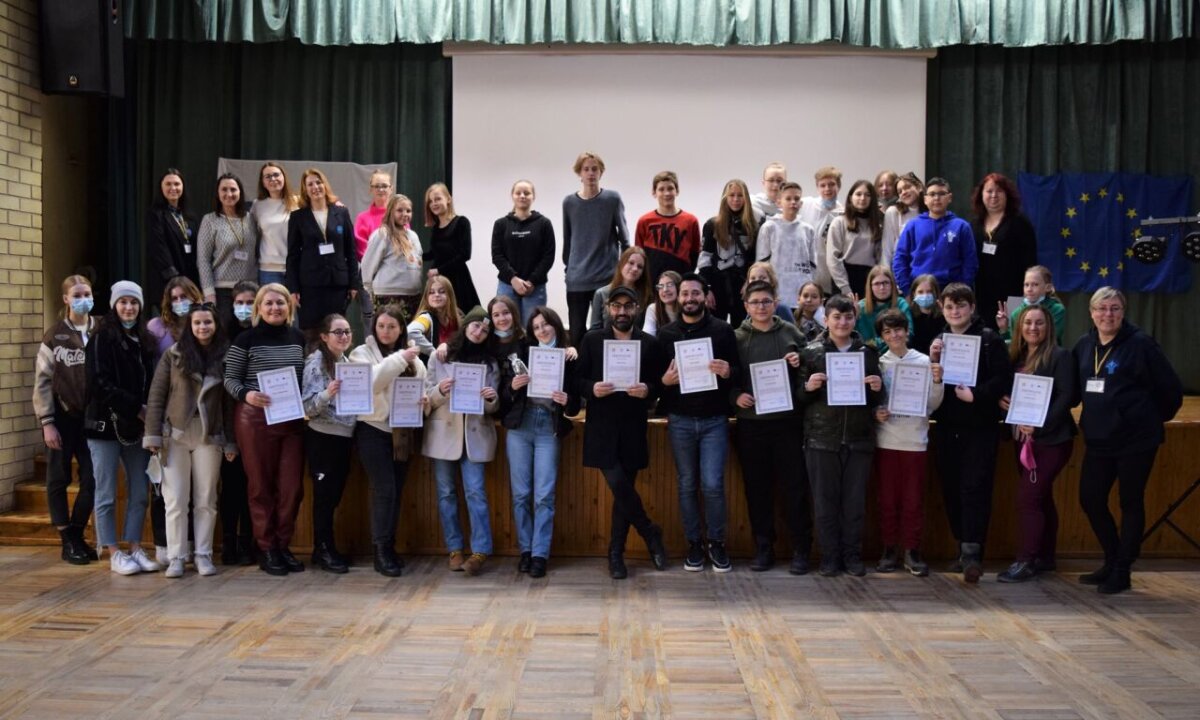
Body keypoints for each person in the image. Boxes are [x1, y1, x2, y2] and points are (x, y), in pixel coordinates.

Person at [1072, 287, 1182, 594]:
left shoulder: (1141, 344)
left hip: (1135, 440)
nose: (1108, 314)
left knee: (1130, 501)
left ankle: (1122, 570)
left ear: (1123, 312)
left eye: (1115, 308)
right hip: (1098, 438)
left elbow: (1171, 391)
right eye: (1102, 308)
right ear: (1091, 312)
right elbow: (1074, 389)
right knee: (1090, 499)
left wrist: (1144, 419)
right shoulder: (1084, 345)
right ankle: (1112, 559)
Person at [576, 286, 669, 579]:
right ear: (607, 309)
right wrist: (591, 388)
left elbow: (660, 383)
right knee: (618, 483)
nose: (622, 311)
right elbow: (576, 380)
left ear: (637, 309)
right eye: (616, 306)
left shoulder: (649, 344)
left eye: (628, 306)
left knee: (622, 492)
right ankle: (649, 531)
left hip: (632, 425)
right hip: (601, 426)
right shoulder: (592, 340)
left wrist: (648, 390)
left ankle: (616, 554)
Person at [929, 283, 1011, 583]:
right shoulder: (939, 341)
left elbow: (1004, 379)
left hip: (980, 428)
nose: (955, 312)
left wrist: (977, 395)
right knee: (951, 489)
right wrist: (933, 361)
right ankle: (962, 548)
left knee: (974, 488)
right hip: (946, 427)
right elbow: (933, 386)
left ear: (972, 307)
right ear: (942, 309)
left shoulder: (989, 339)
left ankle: (973, 553)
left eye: (961, 306)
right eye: (950, 307)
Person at [143, 304, 234, 578]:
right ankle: (177, 557)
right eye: (197, 323)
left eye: (208, 322)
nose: (203, 327)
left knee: (206, 498)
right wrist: (153, 435)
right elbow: (157, 395)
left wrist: (230, 441)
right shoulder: (173, 355)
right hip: (176, 434)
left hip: (209, 434)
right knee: (175, 499)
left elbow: (230, 404)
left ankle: (203, 555)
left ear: (215, 325)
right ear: (190, 327)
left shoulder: (226, 355)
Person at [223, 284, 307, 576]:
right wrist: (246, 394)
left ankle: (283, 545)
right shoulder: (245, 339)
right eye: (268, 303)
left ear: (289, 306)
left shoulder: (298, 338)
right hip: (255, 419)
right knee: (260, 487)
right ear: (258, 308)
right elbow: (230, 379)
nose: (275, 308)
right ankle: (267, 548)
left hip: (291, 419)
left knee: (292, 488)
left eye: (280, 303)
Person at [658, 273, 738, 573]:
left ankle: (716, 543)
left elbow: (738, 371)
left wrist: (728, 371)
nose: (690, 298)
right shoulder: (666, 334)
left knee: (713, 484)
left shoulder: (722, 331)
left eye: (695, 293)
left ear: (705, 296)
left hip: (714, 420)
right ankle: (694, 544)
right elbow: (655, 380)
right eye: (685, 294)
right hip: (680, 420)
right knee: (687, 485)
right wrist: (664, 381)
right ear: (678, 298)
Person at [798, 295, 883, 577]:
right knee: (825, 503)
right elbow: (797, 397)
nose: (842, 322)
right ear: (826, 320)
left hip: (859, 439)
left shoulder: (868, 353)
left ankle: (852, 556)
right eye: (836, 317)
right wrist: (808, 387)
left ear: (855, 319)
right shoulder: (810, 353)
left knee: (854, 504)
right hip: (821, 438)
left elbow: (877, 399)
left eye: (848, 317)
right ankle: (830, 557)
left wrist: (877, 388)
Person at [730, 280, 812, 573]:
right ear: (746, 306)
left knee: (795, 488)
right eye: (755, 302)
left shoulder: (792, 333)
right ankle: (763, 547)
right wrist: (734, 396)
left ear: (776, 303)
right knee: (757, 490)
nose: (761, 307)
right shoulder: (736, 338)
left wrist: (800, 360)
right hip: (751, 425)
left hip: (788, 424)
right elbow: (729, 376)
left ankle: (801, 549)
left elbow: (811, 368)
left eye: (766, 301)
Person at [996, 304, 1077, 583]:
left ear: (1049, 326)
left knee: (1028, 498)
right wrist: (1002, 401)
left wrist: (1041, 423)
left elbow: (1067, 396)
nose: (1033, 328)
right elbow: (1006, 391)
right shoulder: (1015, 356)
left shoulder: (1060, 356)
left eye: (1039, 323)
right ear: (1019, 327)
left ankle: (1026, 560)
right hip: (1022, 439)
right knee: (1041, 497)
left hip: (1051, 440)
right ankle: (1046, 556)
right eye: (1028, 322)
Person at [85, 281, 160, 575]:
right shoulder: (101, 338)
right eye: (123, 302)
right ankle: (113, 551)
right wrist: (135, 407)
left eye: (134, 302)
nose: (128, 308)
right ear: (114, 305)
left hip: (137, 427)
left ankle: (135, 546)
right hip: (105, 425)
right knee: (105, 492)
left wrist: (148, 411)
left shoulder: (145, 340)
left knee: (140, 490)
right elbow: (98, 382)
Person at [501, 307, 580, 578]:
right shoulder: (522, 353)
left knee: (544, 495)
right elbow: (504, 393)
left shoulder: (569, 356)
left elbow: (575, 404)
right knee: (521, 494)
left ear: (555, 325)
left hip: (548, 427)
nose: (542, 330)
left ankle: (539, 554)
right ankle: (525, 550)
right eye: (536, 327)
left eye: (545, 324)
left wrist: (567, 400)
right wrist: (513, 387)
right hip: (520, 427)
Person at [350, 305, 427, 576]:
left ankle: (390, 546)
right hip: (372, 429)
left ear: (401, 329)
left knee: (395, 491)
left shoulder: (415, 360)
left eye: (392, 327)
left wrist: (425, 401)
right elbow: (371, 383)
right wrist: (400, 358)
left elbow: (423, 389)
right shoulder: (361, 353)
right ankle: (380, 551)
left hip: (402, 432)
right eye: (381, 326)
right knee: (384, 490)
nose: (386, 331)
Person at [424, 306, 500, 576]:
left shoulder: (491, 363)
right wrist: (440, 391)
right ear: (466, 326)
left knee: (476, 492)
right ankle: (454, 548)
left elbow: (494, 406)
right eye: (476, 326)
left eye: (485, 330)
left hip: (475, 435)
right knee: (446, 493)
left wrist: (491, 398)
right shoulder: (440, 356)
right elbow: (426, 399)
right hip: (444, 434)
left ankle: (480, 551)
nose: (479, 332)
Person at [872, 309, 944, 577]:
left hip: (915, 440)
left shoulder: (924, 362)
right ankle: (889, 549)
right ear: (882, 336)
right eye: (887, 332)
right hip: (886, 440)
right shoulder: (878, 364)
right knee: (887, 500)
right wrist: (876, 413)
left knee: (913, 500)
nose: (894, 335)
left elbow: (933, 404)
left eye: (898, 330)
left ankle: (912, 551)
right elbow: (872, 401)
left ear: (907, 331)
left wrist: (937, 381)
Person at [34, 274, 98, 564]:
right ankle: (67, 539)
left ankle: (77, 531)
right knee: (58, 477)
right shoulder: (55, 335)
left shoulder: (101, 329)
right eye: (77, 295)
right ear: (66, 299)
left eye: (87, 294)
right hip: (62, 415)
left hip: (92, 416)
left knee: (92, 478)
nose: (83, 299)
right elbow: (43, 380)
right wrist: (47, 422)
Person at [299, 314, 358, 574]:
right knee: (324, 497)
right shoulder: (316, 362)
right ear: (324, 336)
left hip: (344, 437)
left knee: (333, 496)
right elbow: (307, 406)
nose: (344, 336)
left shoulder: (346, 362)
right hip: (323, 436)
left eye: (347, 331)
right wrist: (327, 393)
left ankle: (324, 548)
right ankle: (323, 549)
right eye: (337, 332)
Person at [563, 151, 630, 346]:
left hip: (606, 278)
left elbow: (625, 239)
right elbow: (568, 239)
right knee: (576, 333)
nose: (591, 173)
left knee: (606, 331)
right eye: (586, 169)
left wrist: (622, 273)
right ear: (579, 173)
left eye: (595, 169)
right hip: (577, 279)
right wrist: (569, 269)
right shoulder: (569, 203)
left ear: (601, 172)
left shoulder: (612, 199)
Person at [286, 168, 362, 337]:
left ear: (325, 185)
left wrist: (353, 283)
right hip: (310, 286)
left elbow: (351, 251)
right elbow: (292, 256)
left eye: (318, 182)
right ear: (305, 190)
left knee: (336, 330)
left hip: (337, 284)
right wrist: (293, 288)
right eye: (310, 184)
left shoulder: (341, 213)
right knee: (312, 332)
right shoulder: (298, 217)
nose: (315, 187)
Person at [218, 280, 258, 565]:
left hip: (258, 425)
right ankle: (229, 543)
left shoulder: (264, 335)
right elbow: (224, 394)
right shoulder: (223, 338)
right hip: (230, 425)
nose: (244, 308)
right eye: (239, 303)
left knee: (253, 488)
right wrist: (229, 437)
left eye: (250, 303)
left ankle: (248, 542)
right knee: (231, 489)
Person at [972, 173, 1038, 331]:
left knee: (1010, 334)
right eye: (989, 191)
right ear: (981, 195)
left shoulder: (1020, 223)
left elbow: (1030, 261)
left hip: (1013, 293)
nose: (994, 195)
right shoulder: (974, 225)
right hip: (982, 294)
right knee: (985, 335)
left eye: (999, 191)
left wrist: (1026, 292)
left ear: (1007, 195)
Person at [893, 177, 978, 294]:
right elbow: (900, 259)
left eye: (942, 194)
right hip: (919, 291)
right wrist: (907, 291)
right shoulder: (912, 226)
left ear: (950, 198)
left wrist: (961, 291)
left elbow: (970, 262)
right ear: (925, 199)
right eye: (932, 194)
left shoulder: (962, 226)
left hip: (952, 292)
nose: (937, 198)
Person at [197, 173, 258, 327]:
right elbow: (203, 260)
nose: (229, 194)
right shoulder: (210, 220)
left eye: (233, 189)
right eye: (224, 189)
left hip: (249, 290)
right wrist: (209, 293)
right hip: (222, 291)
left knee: (248, 334)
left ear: (240, 192)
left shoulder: (251, 219)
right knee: (225, 333)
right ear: (217, 193)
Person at [492, 180, 556, 324]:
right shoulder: (501, 224)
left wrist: (532, 281)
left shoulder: (544, 223)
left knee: (533, 328)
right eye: (518, 193)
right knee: (507, 328)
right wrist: (513, 279)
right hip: (507, 285)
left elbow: (548, 256)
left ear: (533, 196)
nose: (522, 196)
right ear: (512, 196)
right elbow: (497, 256)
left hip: (535, 287)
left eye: (527, 193)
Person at [699, 179, 759, 325]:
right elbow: (705, 259)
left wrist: (750, 283)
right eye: (732, 195)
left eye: (740, 195)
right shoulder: (712, 225)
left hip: (742, 287)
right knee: (716, 328)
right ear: (725, 198)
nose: (736, 199)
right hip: (717, 286)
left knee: (743, 329)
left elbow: (756, 260)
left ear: (746, 198)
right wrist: (706, 288)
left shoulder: (753, 226)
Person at [755, 181, 817, 314]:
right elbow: (761, 263)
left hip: (802, 294)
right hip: (777, 295)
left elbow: (812, 264)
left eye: (796, 199)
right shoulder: (769, 227)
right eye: (788, 199)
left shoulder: (808, 230)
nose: (793, 202)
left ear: (801, 203)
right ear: (779, 202)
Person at [362, 193, 424, 320]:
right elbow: (367, 265)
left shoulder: (413, 236)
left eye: (408, 211)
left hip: (414, 295)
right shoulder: (382, 234)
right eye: (400, 210)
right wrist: (369, 290)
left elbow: (418, 262)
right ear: (391, 211)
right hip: (388, 296)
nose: (405, 214)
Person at [635, 170, 701, 282]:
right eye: (661, 189)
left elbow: (695, 254)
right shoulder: (644, 221)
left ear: (677, 191)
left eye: (670, 188)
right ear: (654, 193)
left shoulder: (691, 221)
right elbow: (639, 254)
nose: (666, 193)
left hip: (680, 282)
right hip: (651, 283)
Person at [146, 168, 199, 308]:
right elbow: (158, 248)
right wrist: (175, 280)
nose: (173, 188)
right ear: (161, 188)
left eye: (177, 184)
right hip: (168, 282)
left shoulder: (189, 216)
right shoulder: (155, 215)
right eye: (168, 184)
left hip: (190, 280)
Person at [424, 182, 481, 311]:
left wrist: (438, 270)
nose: (434, 203)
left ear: (448, 199)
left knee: (462, 315)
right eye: (431, 201)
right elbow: (433, 254)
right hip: (439, 281)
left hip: (458, 280)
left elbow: (465, 254)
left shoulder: (462, 222)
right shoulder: (435, 228)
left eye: (438, 199)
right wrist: (414, 255)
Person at [827, 180, 883, 298]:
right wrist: (844, 287)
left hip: (869, 278)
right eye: (858, 194)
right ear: (850, 197)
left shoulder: (877, 225)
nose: (862, 198)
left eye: (867, 195)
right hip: (844, 277)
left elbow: (879, 257)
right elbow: (832, 258)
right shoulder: (839, 222)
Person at [251, 162, 299, 287]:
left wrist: (335, 203)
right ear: (263, 182)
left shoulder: (299, 201)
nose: (273, 179)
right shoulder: (257, 205)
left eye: (276, 175)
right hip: (269, 270)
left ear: (284, 177)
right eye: (268, 176)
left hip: (296, 267)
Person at [799, 166, 844, 294]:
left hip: (831, 274)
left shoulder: (843, 212)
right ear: (817, 187)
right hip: (807, 272)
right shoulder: (806, 205)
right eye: (822, 185)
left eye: (831, 184)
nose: (827, 189)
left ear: (838, 186)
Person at [996, 265, 1067, 345]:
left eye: (1035, 284)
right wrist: (1004, 329)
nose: (1029, 289)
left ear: (1048, 287)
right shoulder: (1016, 313)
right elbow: (1013, 345)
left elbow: (1049, 339)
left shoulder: (1057, 310)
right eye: (1026, 285)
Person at [589, 246, 652, 331]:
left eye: (640, 266)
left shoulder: (646, 296)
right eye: (631, 263)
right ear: (622, 263)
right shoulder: (601, 294)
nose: (635, 269)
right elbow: (594, 329)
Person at [855, 265, 913, 349]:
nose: (882, 287)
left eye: (885, 283)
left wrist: (875, 345)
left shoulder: (901, 304)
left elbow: (909, 333)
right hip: (866, 353)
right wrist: (854, 318)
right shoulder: (860, 307)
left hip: (895, 351)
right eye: (877, 284)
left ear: (892, 284)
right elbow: (853, 338)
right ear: (870, 287)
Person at [148, 277, 204, 359]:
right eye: (174, 298)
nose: (179, 301)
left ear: (193, 297)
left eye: (183, 296)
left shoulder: (204, 325)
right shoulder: (156, 325)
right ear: (169, 303)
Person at [407, 275, 462, 359]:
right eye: (431, 292)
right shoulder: (426, 318)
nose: (436, 295)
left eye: (442, 291)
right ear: (426, 297)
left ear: (450, 295)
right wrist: (433, 352)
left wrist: (447, 345)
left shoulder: (457, 316)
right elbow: (410, 332)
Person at [882, 172, 925, 270]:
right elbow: (887, 248)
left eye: (907, 187)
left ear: (919, 187)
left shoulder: (930, 212)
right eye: (900, 191)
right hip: (901, 268)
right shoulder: (893, 212)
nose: (904, 192)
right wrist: (886, 273)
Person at [354, 169, 393, 261]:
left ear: (391, 189)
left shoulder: (399, 215)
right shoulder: (362, 218)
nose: (381, 189)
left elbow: (405, 244)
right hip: (372, 268)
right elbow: (361, 250)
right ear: (371, 189)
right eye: (377, 186)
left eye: (384, 186)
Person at [907, 273, 942, 355]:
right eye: (920, 292)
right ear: (914, 294)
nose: (925, 295)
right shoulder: (908, 316)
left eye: (929, 292)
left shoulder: (943, 316)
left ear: (936, 293)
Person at [643, 270, 682, 337]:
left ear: (679, 287)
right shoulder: (653, 308)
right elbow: (647, 336)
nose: (665, 290)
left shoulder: (686, 306)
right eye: (660, 286)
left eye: (670, 285)